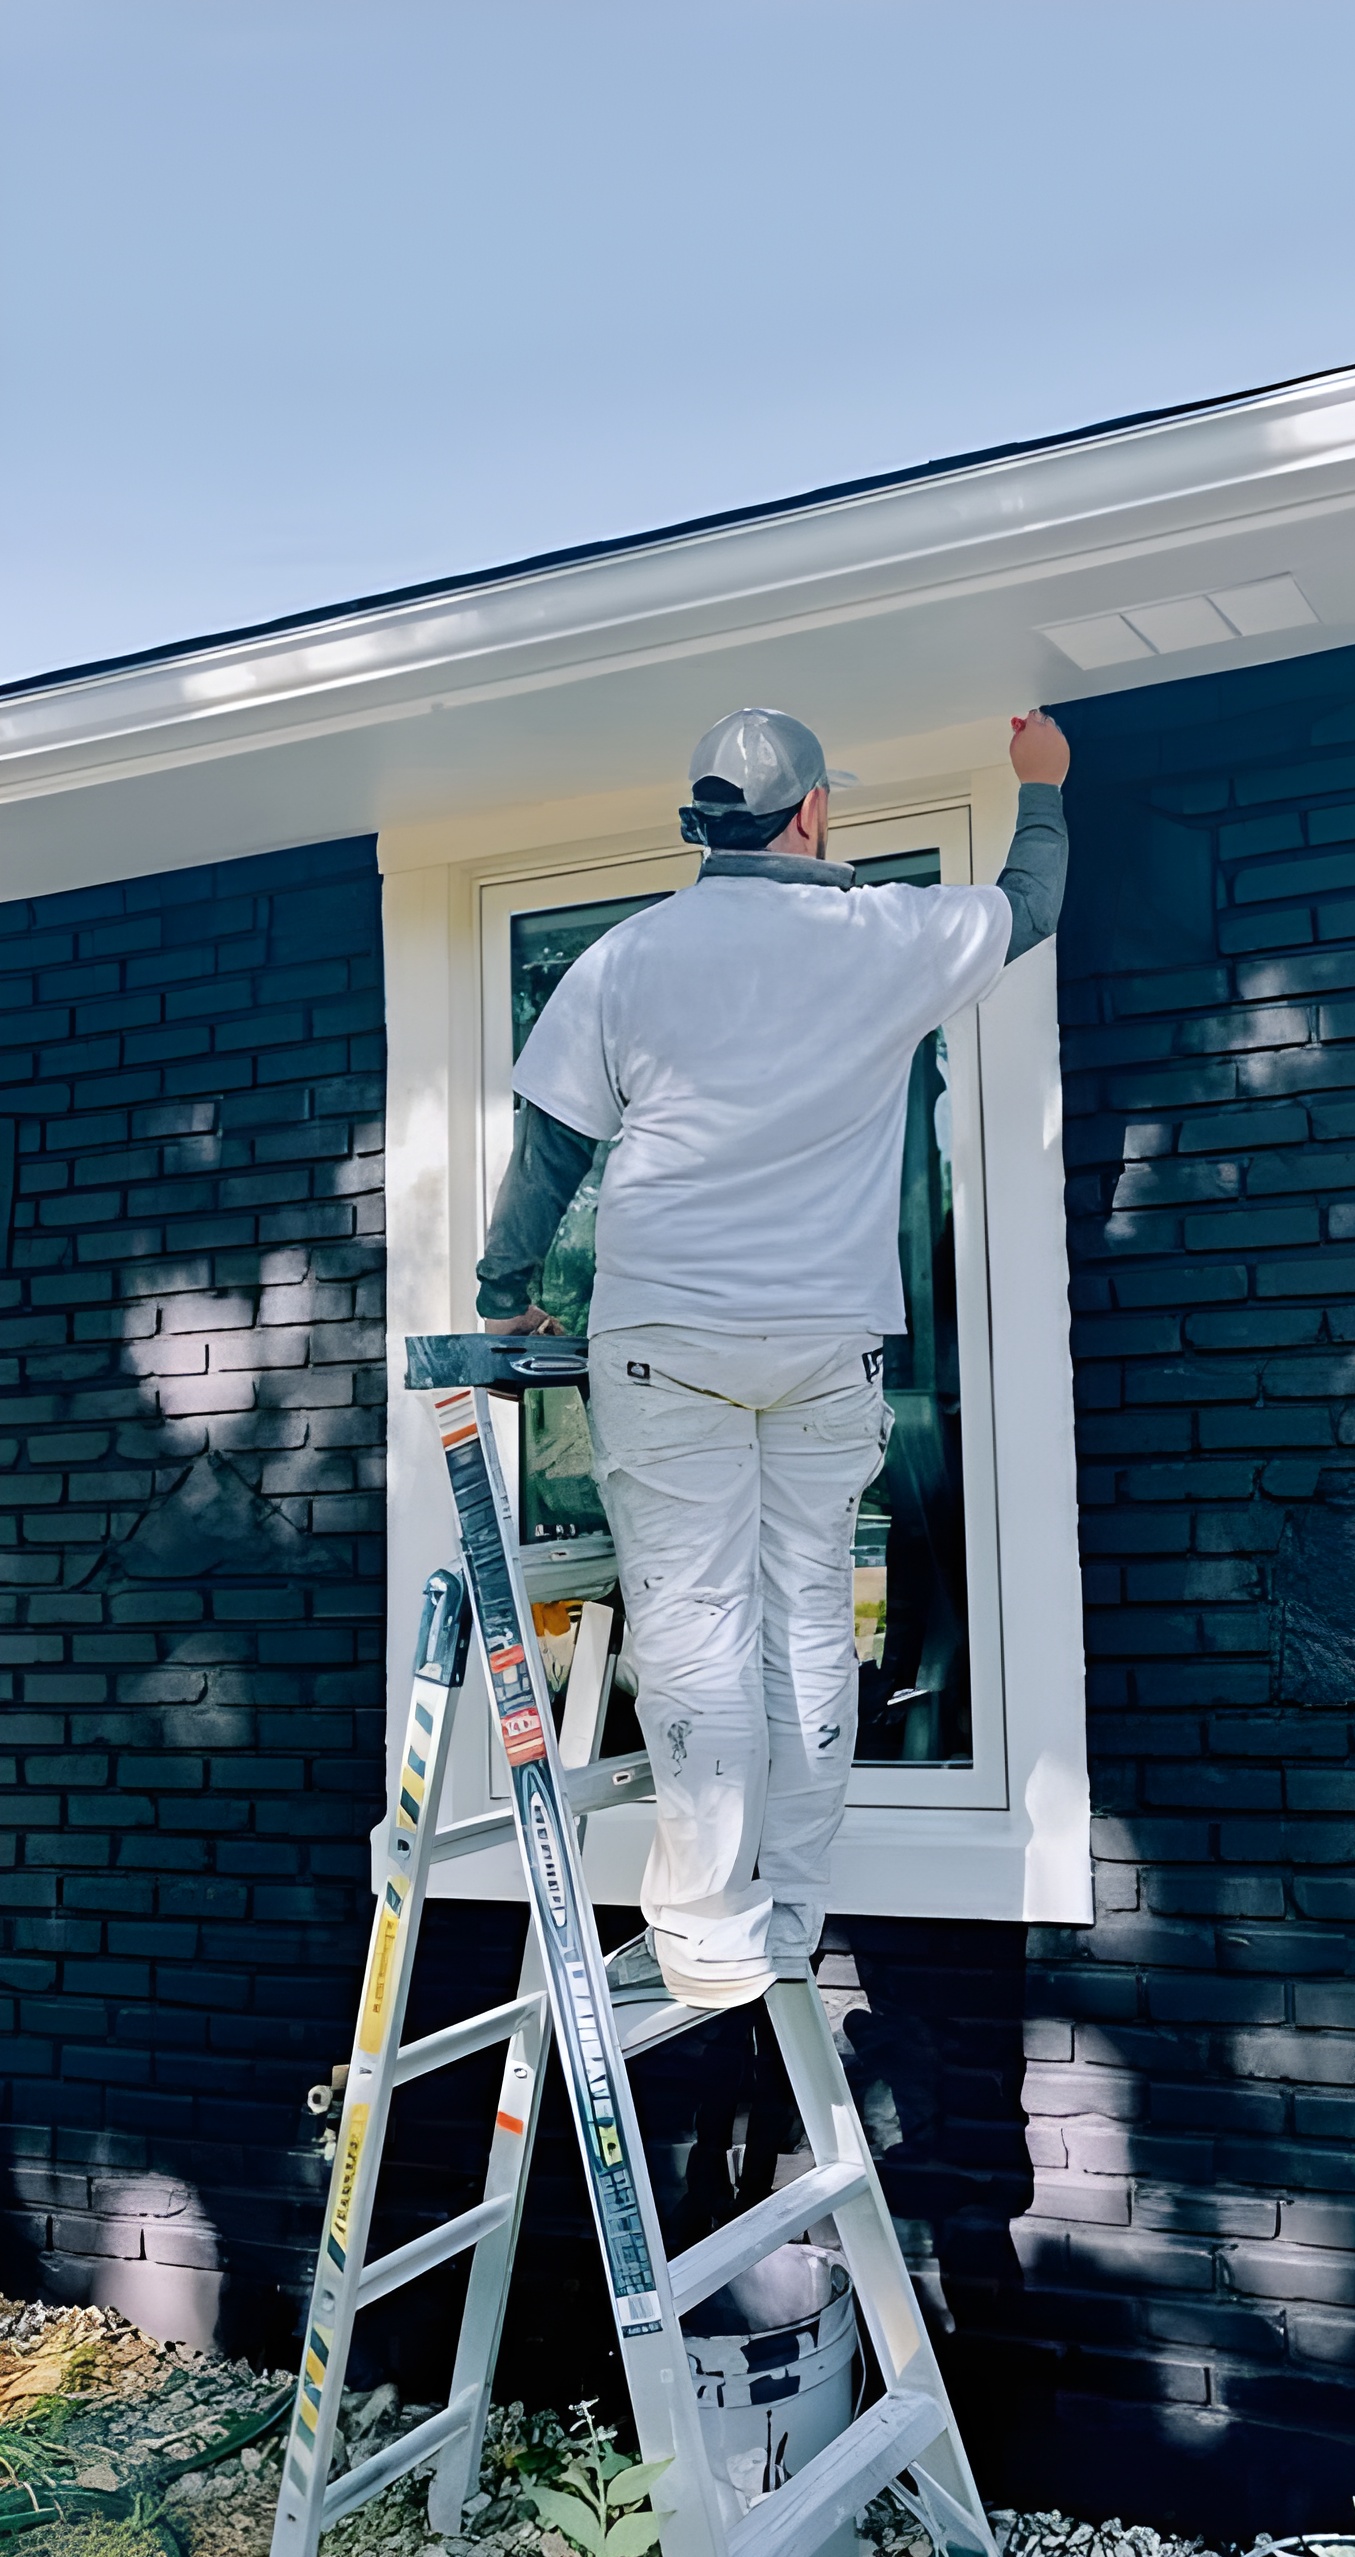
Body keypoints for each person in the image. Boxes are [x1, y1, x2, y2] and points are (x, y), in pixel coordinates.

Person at [476, 704, 1070, 2013]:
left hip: (669, 1340)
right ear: (811, 814)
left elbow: (550, 1153)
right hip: (821, 1344)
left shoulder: (628, 958)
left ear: (708, 825)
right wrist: (1042, 784)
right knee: (806, 1628)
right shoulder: (887, 936)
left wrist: (506, 1293)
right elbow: (1030, 904)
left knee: (697, 1635)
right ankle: (787, 1916)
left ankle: (708, 1932)